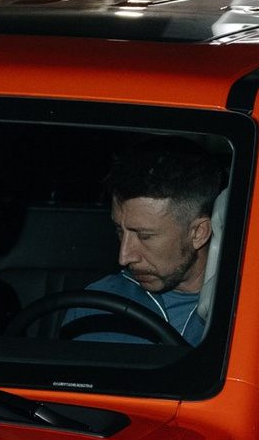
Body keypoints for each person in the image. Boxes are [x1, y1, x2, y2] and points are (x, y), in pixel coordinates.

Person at [72, 141, 227, 345]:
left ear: (198, 233)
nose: (124, 256)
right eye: (119, 230)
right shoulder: (94, 305)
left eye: (144, 236)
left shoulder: (240, 315)